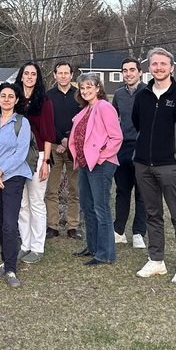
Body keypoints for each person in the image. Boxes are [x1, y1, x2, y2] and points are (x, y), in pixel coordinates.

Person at [132, 47, 176, 284]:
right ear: (149, 68)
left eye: (163, 64)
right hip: (143, 166)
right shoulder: (142, 96)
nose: (158, 68)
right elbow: (137, 123)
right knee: (153, 214)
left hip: (170, 166)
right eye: (154, 64)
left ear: (172, 68)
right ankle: (156, 260)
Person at [68, 73, 122, 266]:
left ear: (98, 88)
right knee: (87, 207)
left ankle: (105, 253)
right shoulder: (85, 110)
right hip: (84, 164)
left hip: (101, 165)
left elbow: (116, 137)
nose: (85, 91)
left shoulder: (105, 107)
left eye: (89, 87)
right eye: (82, 88)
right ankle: (92, 247)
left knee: (101, 208)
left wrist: (101, 157)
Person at [0, 83, 31, 287]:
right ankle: (6, 259)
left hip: (13, 177)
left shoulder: (22, 122)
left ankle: (11, 269)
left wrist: (1, 170)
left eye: (11, 96)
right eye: (3, 96)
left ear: (16, 100)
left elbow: (21, 153)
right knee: (1, 223)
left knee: (10, 225)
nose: (7, 99)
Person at [13, 61, 55, 263]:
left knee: (37, 202)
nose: (29, 77)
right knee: (22, 204)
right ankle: (25, 244)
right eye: (26, 73)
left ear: (37, 78)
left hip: (38, 156)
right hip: (16, 158)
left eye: (33, 74)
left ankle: (37, 247)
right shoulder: (13, 99)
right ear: (21, 76)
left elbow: (48, 134)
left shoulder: (44, 101)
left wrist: (46, 161)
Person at [112, 58, 148, 249]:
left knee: (142, 193)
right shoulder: (118, 94)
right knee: (122, 191)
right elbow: (112, 120)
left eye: (132, 70)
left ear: (140, 72)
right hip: (122, 149)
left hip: (143, 148)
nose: (128, 73)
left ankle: (138, 233)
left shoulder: (148, 92)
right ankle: (118, 231)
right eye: (125, 70)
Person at [45, 61, 83, 239]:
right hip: (54, 147)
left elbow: (81, 121)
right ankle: (52, 226)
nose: (63, 76)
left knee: (75, 189)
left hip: (75, 147)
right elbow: (48, 122)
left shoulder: (79, 96)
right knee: (51, 190)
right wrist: (60, 139)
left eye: (66, 73)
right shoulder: (48, 96)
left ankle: (72, 226)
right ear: (54, 75)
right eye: (60, 73)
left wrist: (69, 140)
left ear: (71, 75)